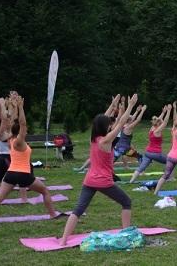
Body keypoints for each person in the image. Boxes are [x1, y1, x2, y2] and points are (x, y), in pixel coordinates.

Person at [60, 94, 138, 244]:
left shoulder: (94, 138)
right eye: (108, 124)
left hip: (89, 180)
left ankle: (63, 240)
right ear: (105, 126)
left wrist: (113, 104)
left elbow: (101, 119)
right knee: (126, 202)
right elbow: (121, 122)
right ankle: (126, 235)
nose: (110, 125)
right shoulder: (106, 140)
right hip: (103, 181)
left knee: (78, 210)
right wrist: (130, 106)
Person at [0, 95, 59, 223]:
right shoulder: (19, 141)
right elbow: (22, 123)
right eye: (25, 130)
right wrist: (21, 107)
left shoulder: (10, 138)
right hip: (23, 174)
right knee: (45, 191)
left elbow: (12, 121)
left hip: (10, 174)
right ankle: (53, 215)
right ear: (21, 131)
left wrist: (14, 106)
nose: (26, 130)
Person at [129, 104, 171, 183]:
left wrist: (163, 113)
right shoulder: (157, 131)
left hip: (147, 152)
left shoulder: (152, 128)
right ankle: (170, 178)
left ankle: (131, 181)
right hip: (155, 153)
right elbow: (165, 122)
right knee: (170, 161)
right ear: (158, 124)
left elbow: (158, 120)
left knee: (142, 167)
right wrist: (168, 111)